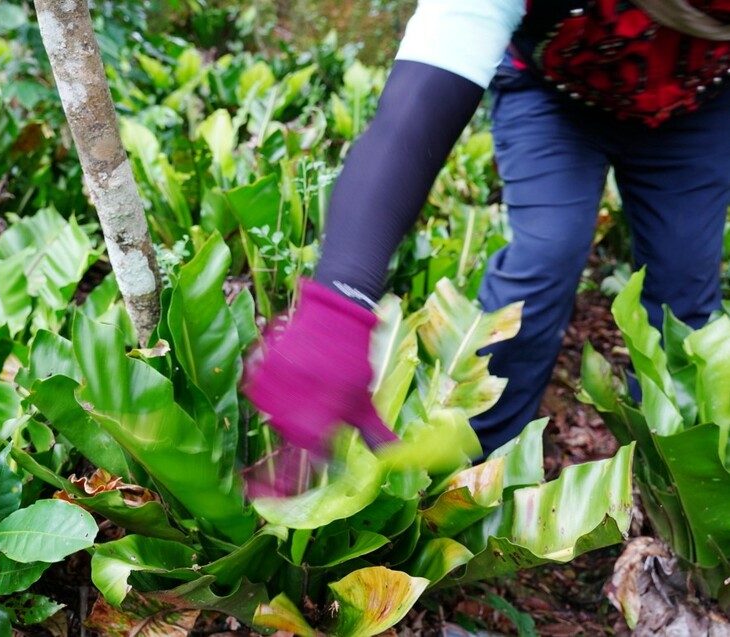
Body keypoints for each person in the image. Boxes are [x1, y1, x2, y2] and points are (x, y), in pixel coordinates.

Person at [243, 0, 730, 461]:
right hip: (553, 97)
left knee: (682, 294)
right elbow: (414, 114)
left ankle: (672, 481)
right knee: (544, 258)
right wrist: (339, 303)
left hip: (699, 109)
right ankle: (480, 467)